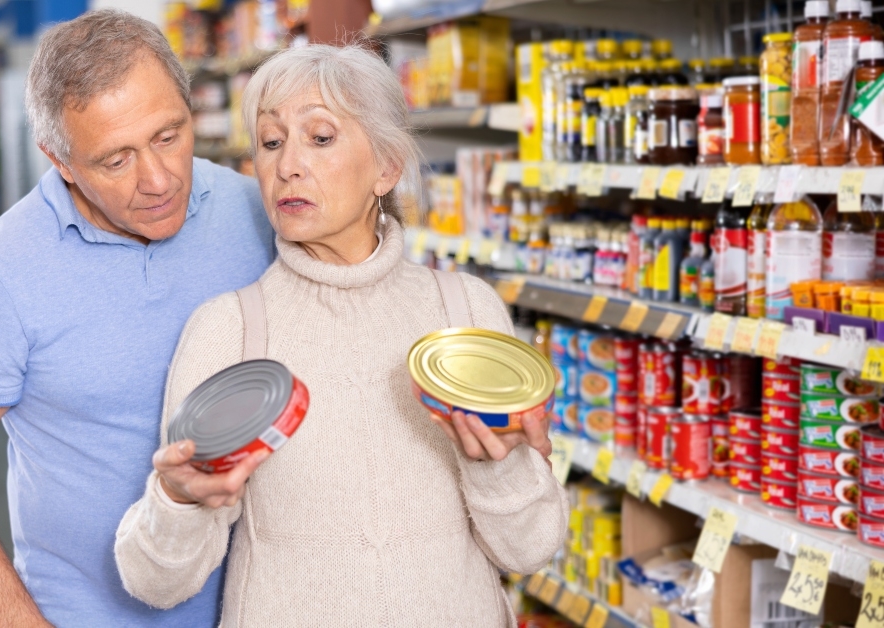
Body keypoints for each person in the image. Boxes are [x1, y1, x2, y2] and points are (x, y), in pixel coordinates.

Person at [115, 44, 569, 626]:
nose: (287, 165)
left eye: (320, 138)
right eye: (272, 142)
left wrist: (498, 465)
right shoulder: (230, 330)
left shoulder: (464, 313)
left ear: (385, 167)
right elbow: (157, 583)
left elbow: (530, 551)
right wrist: (176, 500)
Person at [0, 9, 274, 626]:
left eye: (168, 135)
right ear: (60, 159)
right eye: (115, 160)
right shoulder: (0, 276)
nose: (158, 179)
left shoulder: (253, 211)